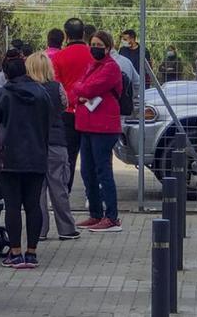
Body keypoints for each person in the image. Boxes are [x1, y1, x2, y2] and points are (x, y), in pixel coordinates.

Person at [0, 50, 51, 269]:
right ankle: (32, 252)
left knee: (13, 206)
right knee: (33, 205)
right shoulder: (42, 93)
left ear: (6, 74)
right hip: (37, 156)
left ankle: (15, 252)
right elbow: (48, 121)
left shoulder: (1, 95)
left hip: (9, 158)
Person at [72, 31, 124, 233]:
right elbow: (78, 89)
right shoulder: (91, 66)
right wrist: (81, 90)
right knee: (87, 171)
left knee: (103, 171)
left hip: (103, 127)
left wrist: (81, 90)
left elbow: (85, 89)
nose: (94, 48)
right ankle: (95, 213)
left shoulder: (111, 68)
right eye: (92, 44)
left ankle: (111, 217)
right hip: (86, 125)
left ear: (108, 48)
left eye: (99, 44)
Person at [28, 52, 78, 242]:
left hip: (34, 144)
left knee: (37, 190)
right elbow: (64, 105)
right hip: (56, 141)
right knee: (59, 187)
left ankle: (39, 229)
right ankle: (66, 228)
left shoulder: (28, 89)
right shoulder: (57, 88)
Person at [52, 18, 94, 188]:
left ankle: (64, 193)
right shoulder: (93, 55)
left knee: (68, 157)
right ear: (83, 34)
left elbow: (56, 86)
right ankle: (91, 196)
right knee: (91, 157)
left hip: (68, 112)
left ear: (66, 35)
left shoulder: (59, 57)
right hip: (91, 110)